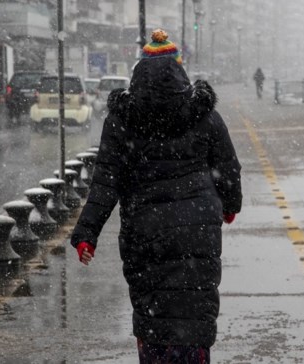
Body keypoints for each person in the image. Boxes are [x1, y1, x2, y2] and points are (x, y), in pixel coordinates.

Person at [71, 29, 242, 364]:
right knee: (195, 308)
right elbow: (229, 167)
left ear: (138, 75)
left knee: (153, 311)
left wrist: (86, 234)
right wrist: (230, 205)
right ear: (180, 72)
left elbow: (105, 181)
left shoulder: (121, 121)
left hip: (144, 229)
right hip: (198, 228)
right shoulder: (205, 115)